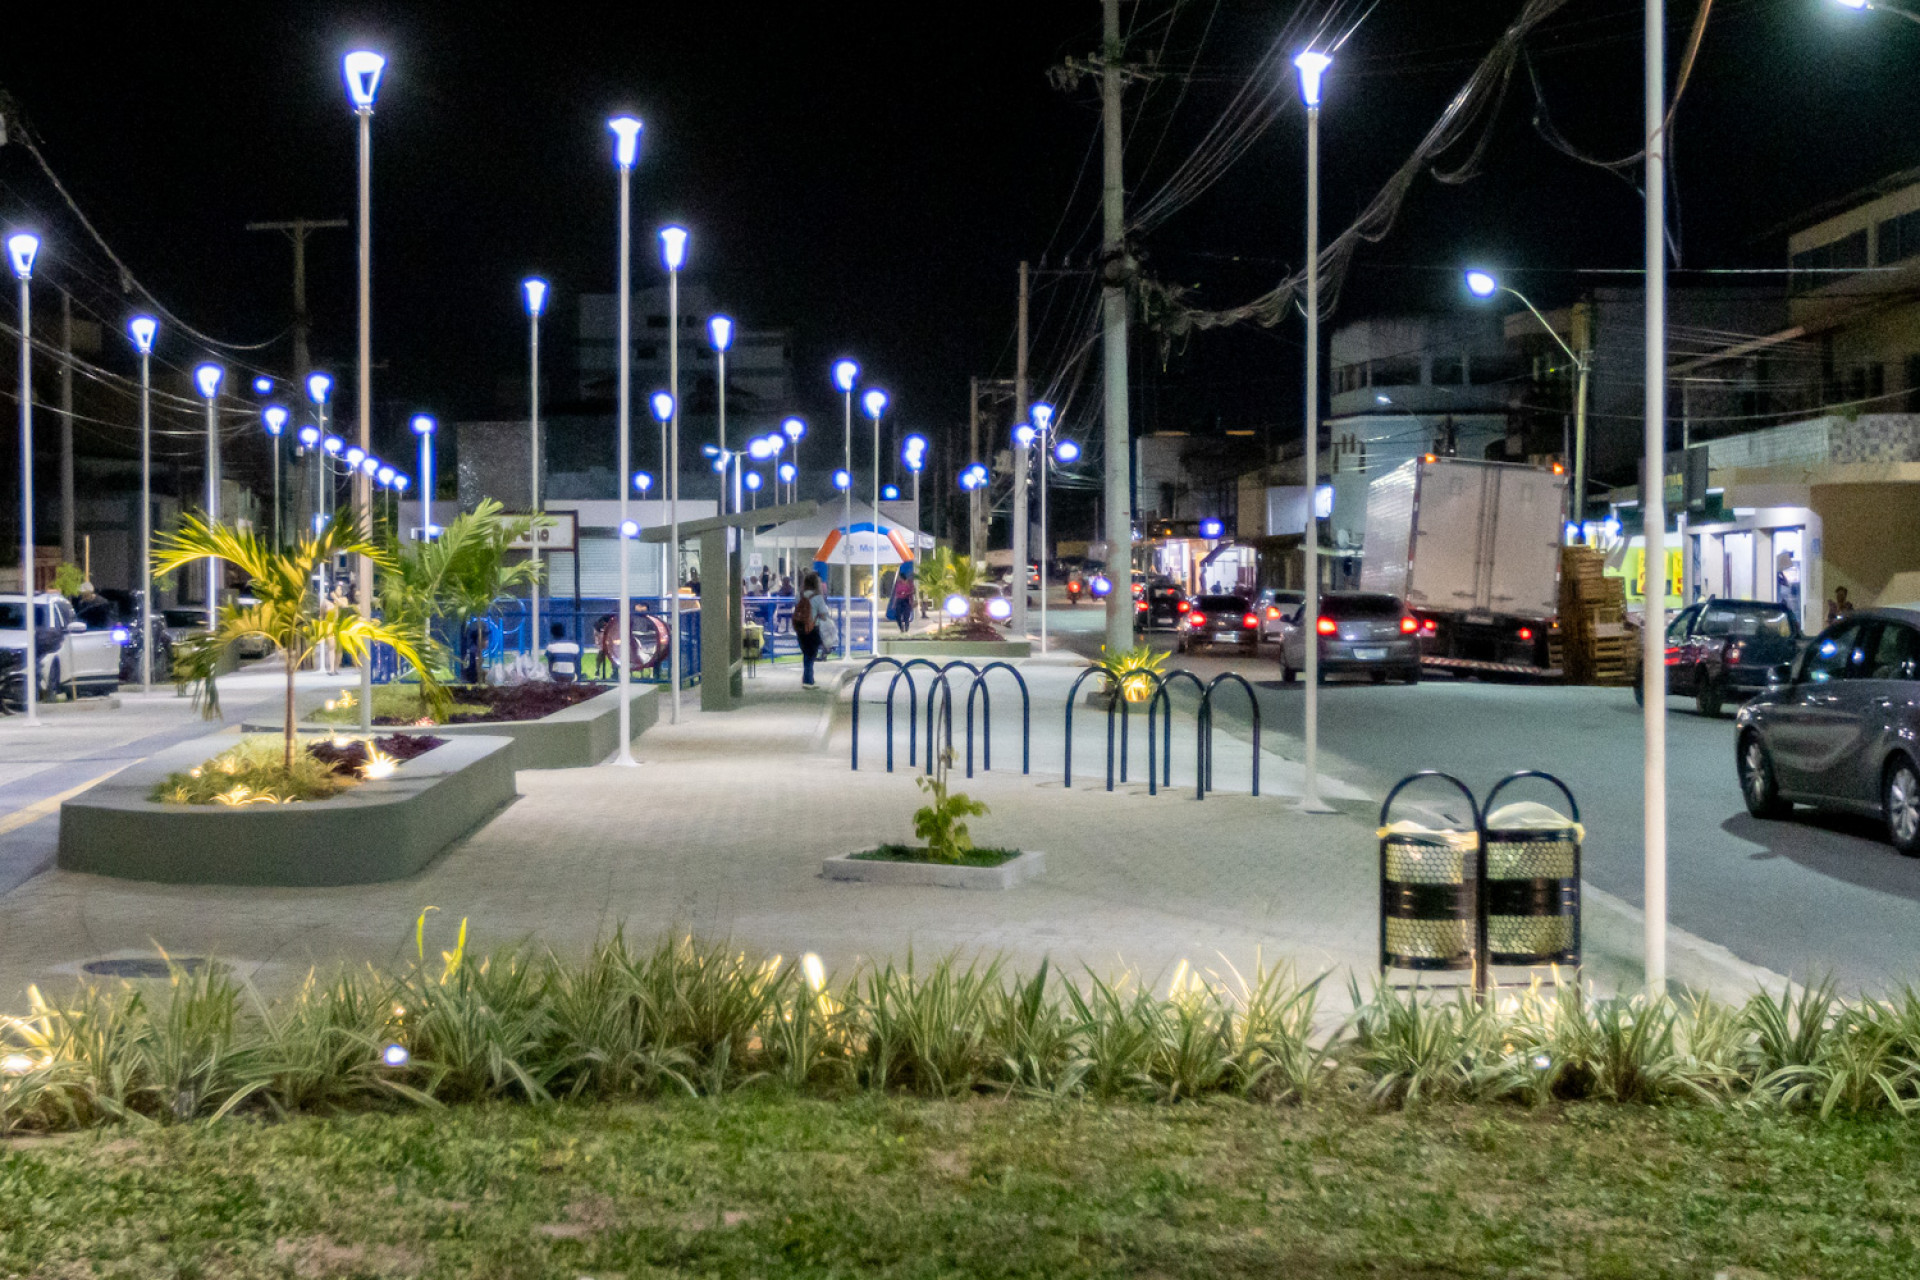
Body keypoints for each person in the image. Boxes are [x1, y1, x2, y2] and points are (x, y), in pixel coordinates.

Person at [794, 569, 833, 687]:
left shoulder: (799, 595)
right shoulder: (817, 597)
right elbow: (824, 614)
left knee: (806, 653)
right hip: (813, 628)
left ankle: (807, 677)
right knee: (811, 655)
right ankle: (808, 680)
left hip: (800, 627)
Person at [888, 560, 916, 634]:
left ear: (902, 578)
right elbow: (896, 594)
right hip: (899, 600)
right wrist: (894, 604)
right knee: (897, 615)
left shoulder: (910, 583)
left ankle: (906, 629)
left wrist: (907, 593)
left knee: (906, 616)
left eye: (900, 577)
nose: (899, 579)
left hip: (907, 600)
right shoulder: (898, 584)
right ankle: (901, 628)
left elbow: (913, 591)